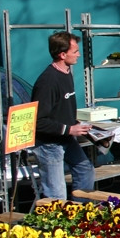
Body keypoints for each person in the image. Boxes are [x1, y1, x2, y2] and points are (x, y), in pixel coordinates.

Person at [32, 31, 95, 200]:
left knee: (85, 169)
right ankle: (57, 223)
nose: (78, 55)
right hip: (49, 144)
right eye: (75, 51)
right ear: (62, 54)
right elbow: (38, 122)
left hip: (66, 138)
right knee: (56, 193)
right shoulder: (48, 81)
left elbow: (61, 108)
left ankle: (80, 212)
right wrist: (69, 129)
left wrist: (76, 124)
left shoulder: (66, 73)